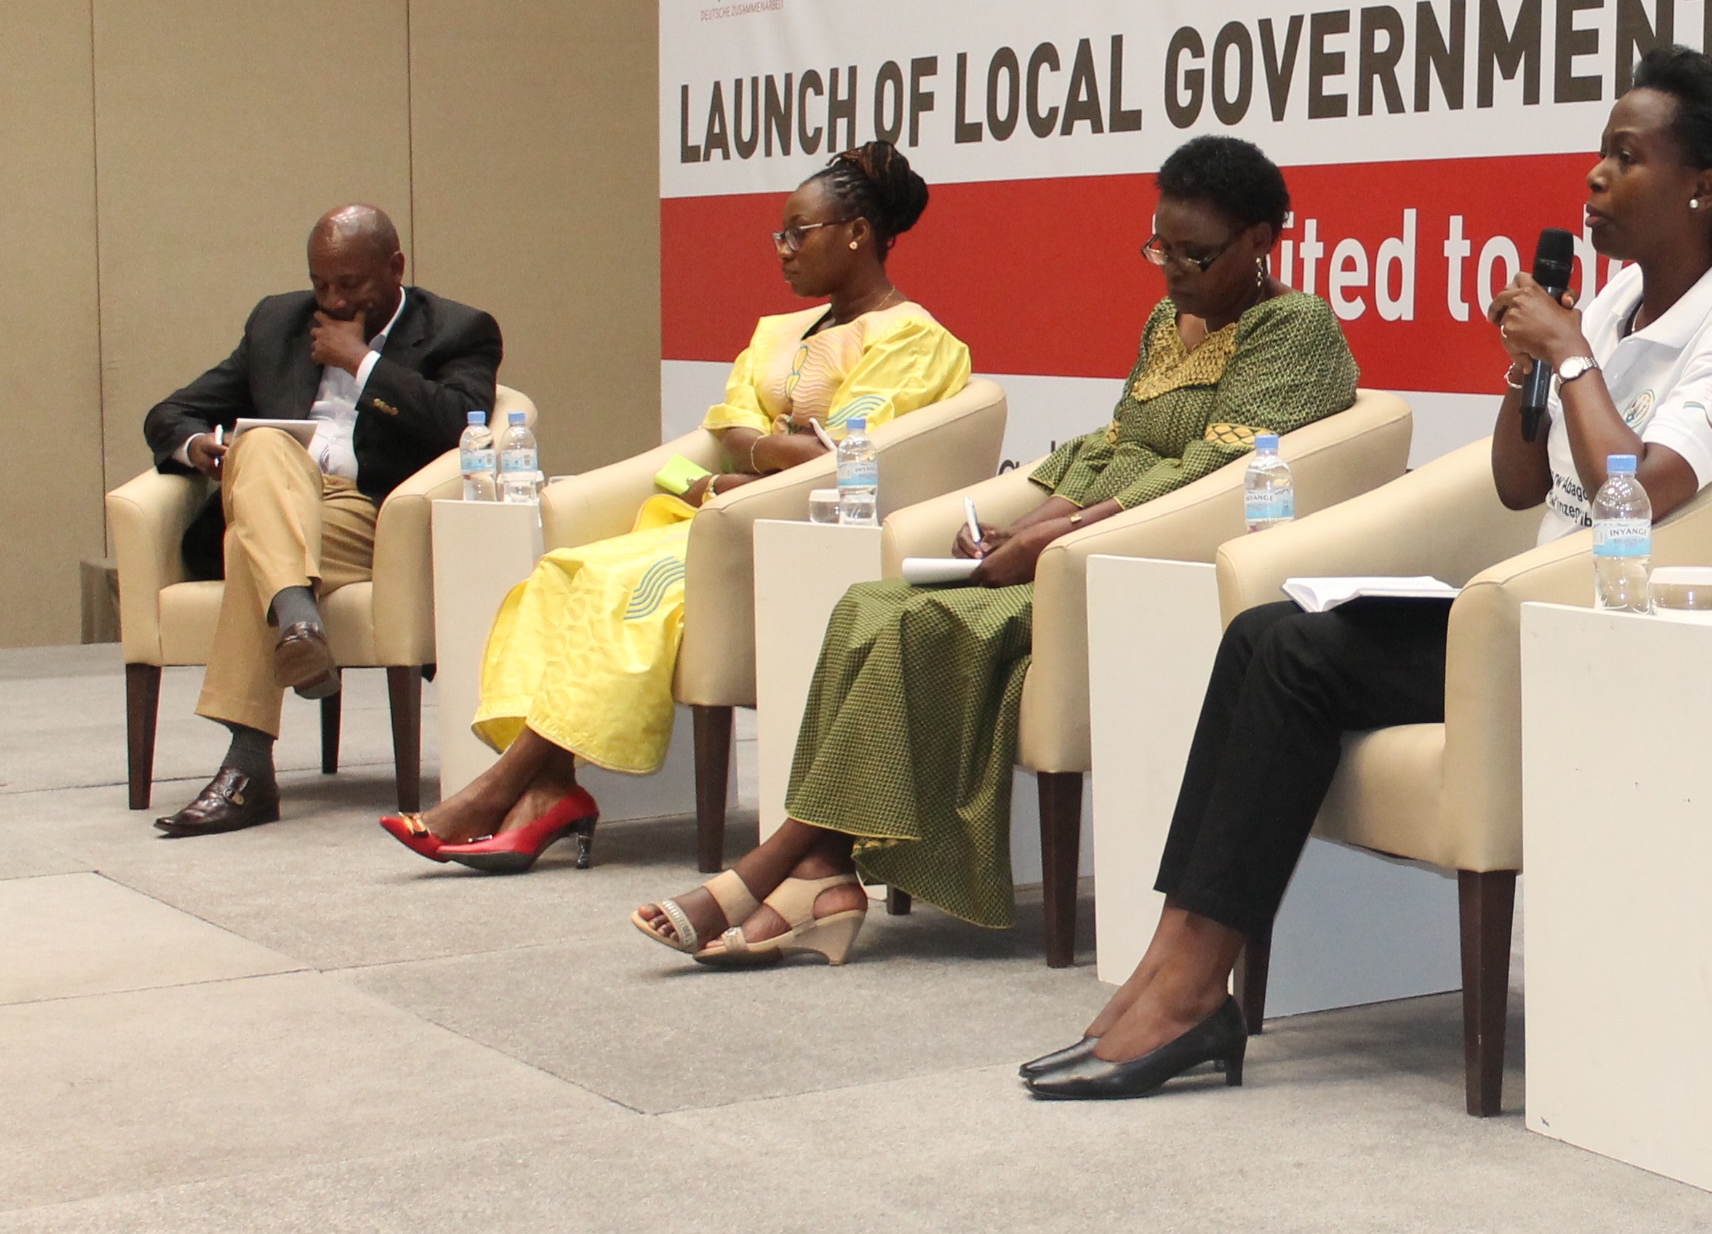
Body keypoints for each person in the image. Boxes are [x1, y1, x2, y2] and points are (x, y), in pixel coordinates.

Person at [1027, 46, 1712, 1098]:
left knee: (1299, 659)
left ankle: (1189, 995)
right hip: (1525, 614)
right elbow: (1520, 483)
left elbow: (1637, 491)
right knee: (1261, 633)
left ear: (1703, 188)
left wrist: (1569, 355)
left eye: (1626, 158)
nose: (1595, 177)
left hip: (1607, 634)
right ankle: (1172, 966)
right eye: (1600, 152)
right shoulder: (1618, 301)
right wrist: (1533, 370)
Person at [631, 135, 1358, 964]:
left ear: (1261, 240)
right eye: (1161, 248)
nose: (1172, 272)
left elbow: (1210, 470)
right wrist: (1022, 523)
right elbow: (1116, 443)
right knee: (869, 606)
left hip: (1158, 562)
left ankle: (768, 871)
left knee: (926, 625)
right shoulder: (1169, 320)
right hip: (1085, 540)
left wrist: (1056, 539)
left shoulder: (1295, 329)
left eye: (1197, 254)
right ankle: (823, 875)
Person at [381, 143, 966, 871]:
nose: (782, 251)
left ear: (856, 233)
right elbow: (727, 431)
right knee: (563, 572)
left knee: (618, 583)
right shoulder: (778, 333)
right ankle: (547, 791)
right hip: (720, 518)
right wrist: (756, 456)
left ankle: (499, 792)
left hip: (797, 536)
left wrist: (745, 466)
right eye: (778, 235)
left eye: (798, 233)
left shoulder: (915, 339)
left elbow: (841, 458)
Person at [143, 206, 502, 837]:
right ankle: (298, 622)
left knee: (252, 546)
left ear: (395, 268)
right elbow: (171, 411)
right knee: (261, 445)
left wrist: (362, 363)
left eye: (350, 285)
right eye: (321, 284)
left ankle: (249, 765)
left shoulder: (459, 330)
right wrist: (197, 446)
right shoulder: (277, 322)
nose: (333, 301)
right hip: (282, 499)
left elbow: (459, 423)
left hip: (368, 517)